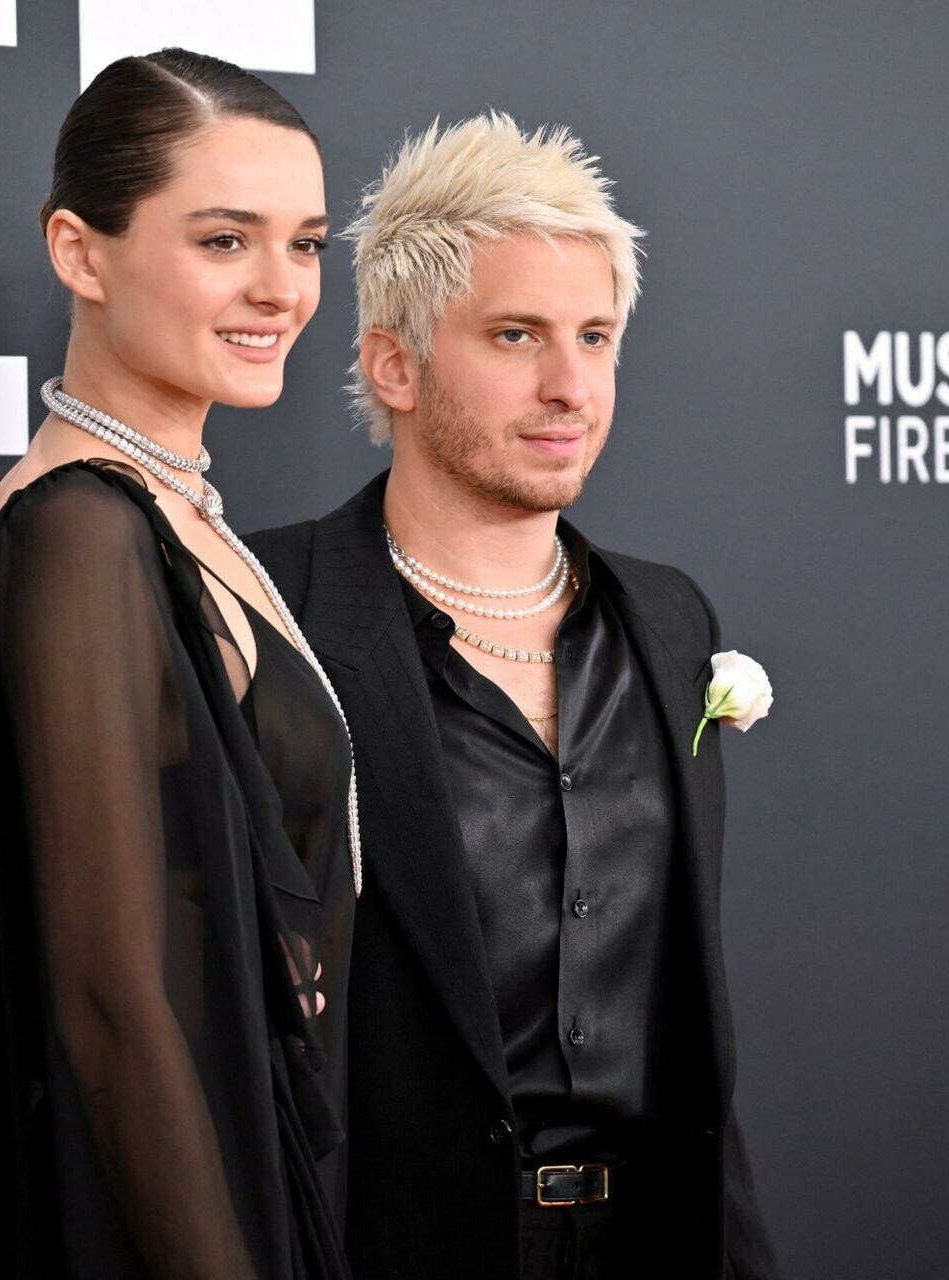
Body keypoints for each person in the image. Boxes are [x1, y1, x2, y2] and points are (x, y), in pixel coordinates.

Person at [246, 113, 780, 1279]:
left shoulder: (670, 619)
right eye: (516, 334)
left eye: (595, 337)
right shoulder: (268, 607)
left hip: (658, 1242)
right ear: (395, 364)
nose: (569, 385)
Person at [0, 49, 357, 1280]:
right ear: (80, 253)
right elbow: (110, 1002)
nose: (282, 288)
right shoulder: (79, 531)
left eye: (305, 244)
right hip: (168, 1212)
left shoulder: (169, 512)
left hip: (250, 1155)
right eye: (225, 240)